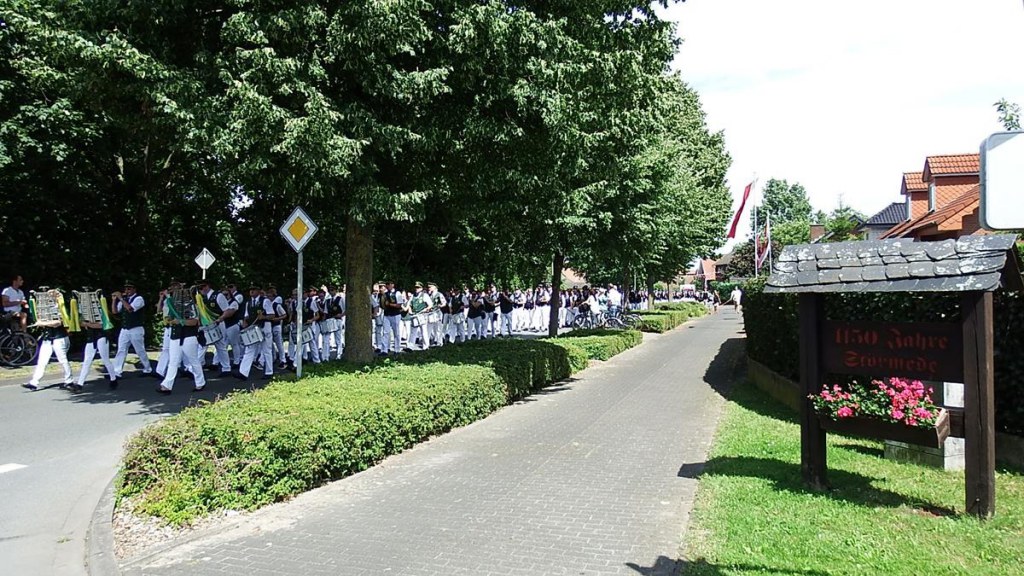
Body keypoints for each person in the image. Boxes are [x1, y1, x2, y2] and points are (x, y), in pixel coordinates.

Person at [156, 284, 206, 394]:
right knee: (173, 361)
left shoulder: (192, 307)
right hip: (175, 336)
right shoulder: (173, 306)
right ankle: (166, 385)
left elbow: (195, 322)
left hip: (188, 336)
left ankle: (200, 382)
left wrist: (181, 321)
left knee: (193, 360)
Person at [23, 288, 74, 391]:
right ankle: (34, 382)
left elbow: (58, 323)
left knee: (62, 360)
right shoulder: (46, 309)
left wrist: (42, 323)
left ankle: (69, 381)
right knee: (42, 360)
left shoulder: (61, 307)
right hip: (48, 338)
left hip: (59, 337)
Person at [72, 288, 118, 392]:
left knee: (105, 359)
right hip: (91, 337)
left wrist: (88, 324)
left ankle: (113, 379)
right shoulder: (83, 310)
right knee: (87, 361)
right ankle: (80, 384)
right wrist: (87, 323)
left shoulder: (101, 309)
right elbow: (80, 322)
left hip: (101, 336)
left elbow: (101, 325)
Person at [112, 281, 154, 378]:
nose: (127, 291)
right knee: (121, 349)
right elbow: (115, 311)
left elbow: (130, 309)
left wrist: (121, 298)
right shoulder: (124, 299)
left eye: (129, 288)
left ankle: (147, 368)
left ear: (134, 289)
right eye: (126, 289)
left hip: (136, 328)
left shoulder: (139, 299)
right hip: (125, 329)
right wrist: (114, 300)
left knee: (139, 350)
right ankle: (117, 371)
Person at [236, 283, 275, 380]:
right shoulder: (248, 303)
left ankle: (269, 372)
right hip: (253, 328)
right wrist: (245, 322)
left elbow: (272, 315)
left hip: (264, 327)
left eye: (254, 289)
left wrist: (264, 317)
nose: (251, 291)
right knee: (249, 349)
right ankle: (243, 373)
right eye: (250, 290)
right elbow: (246, 316)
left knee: (266, 350)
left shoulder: (265, 301)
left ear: (259, 291)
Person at [380, 280, 405, 355]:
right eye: (387, 284)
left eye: (390, 284)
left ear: (393, 285)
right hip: (387, 314)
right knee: (385, 332)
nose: (388, 285)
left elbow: (399, 305)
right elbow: (382, 304)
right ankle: (384, 350)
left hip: (395, 314)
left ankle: (397, 349)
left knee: (396, 332)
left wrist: (390, 304)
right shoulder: (385, 294)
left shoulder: (397, 293)